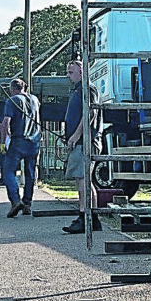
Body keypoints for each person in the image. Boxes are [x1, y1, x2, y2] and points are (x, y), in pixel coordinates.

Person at [62, 59, 103, 234]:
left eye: (71, 72)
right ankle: (91, 218)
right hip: (80, 140)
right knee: (84, 180)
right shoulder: (79, 89)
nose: (68, 76)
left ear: (82, 72)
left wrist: (77, 135)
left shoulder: (87, 88)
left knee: (82, 180)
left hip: (85, 141)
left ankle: (84, 216)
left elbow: (91, 112)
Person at [0, 77, 41, 218]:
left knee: (8, 171)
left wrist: (2, 142)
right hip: (34, 141)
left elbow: (6, 122)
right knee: (30, 172)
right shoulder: (35, 100)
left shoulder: (12, 100)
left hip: (19, 140)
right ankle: (27, 204)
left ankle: (15, 201)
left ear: (12, 89)